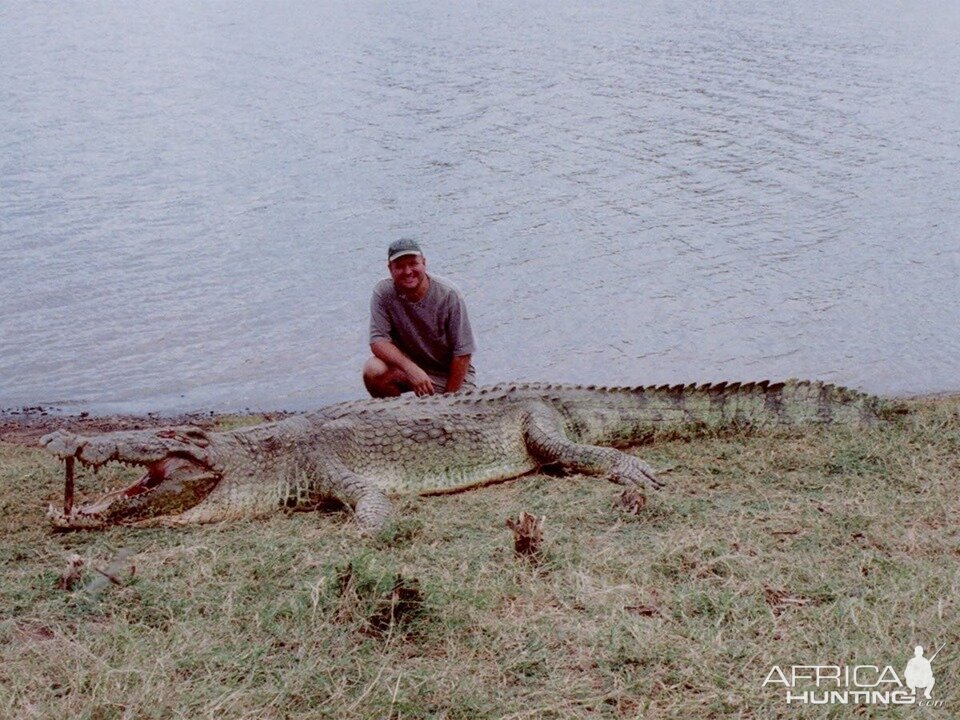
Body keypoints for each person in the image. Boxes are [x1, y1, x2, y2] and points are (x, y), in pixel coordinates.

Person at [363, 238, 477, 397]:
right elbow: (378, 341)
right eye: (400, 266)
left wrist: (449, 401)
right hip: (412, 369)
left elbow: (463, 353)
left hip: (451, 375)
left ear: (424, 263)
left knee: (452, 409)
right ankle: (399, 418)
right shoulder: (383, 292)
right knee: (373, 370)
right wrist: (411, 369)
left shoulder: (449, 295)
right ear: (390, 269)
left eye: (413, 263)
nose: (408, 271)